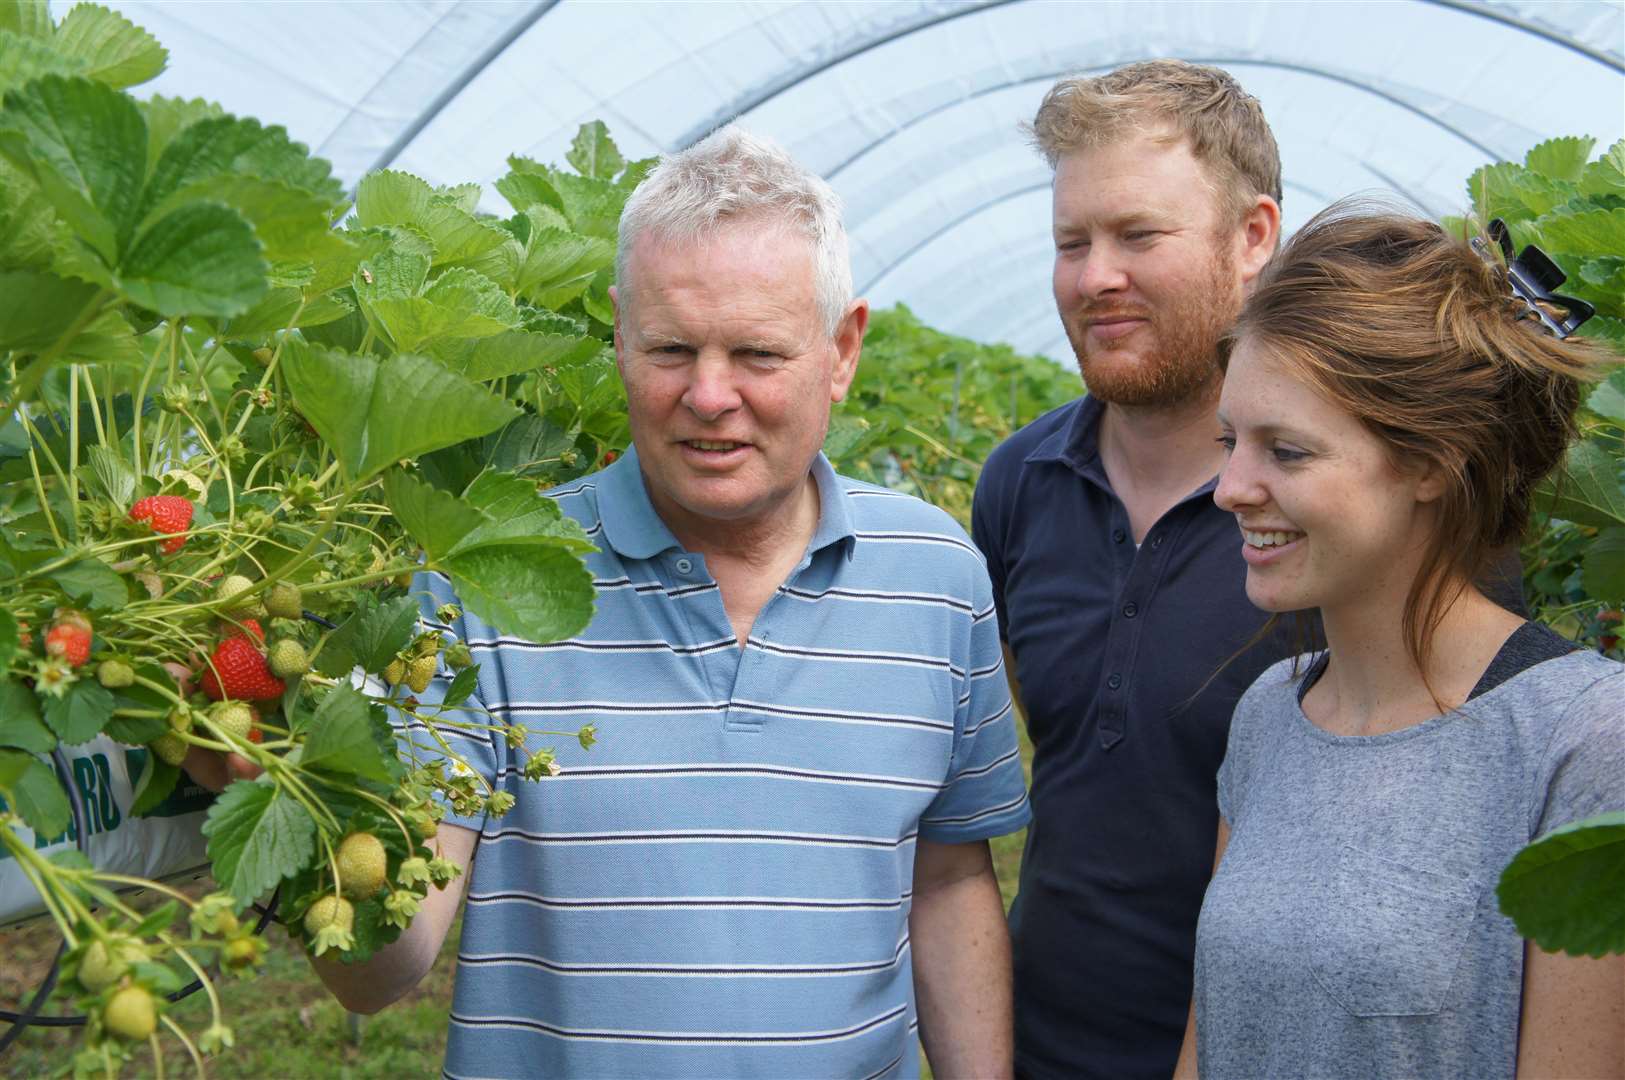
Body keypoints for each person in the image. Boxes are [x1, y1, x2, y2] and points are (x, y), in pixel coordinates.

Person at [193, 126, 1031, 1079]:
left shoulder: (935, 573)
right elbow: (381, 972)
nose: (709, 396)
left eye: (757, 353)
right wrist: (279, 794)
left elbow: (950, 877)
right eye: (670, 348)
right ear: (617, 335)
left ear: (841, 352)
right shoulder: (486, 571)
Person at [1176, 204, 1624, 1078]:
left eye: (1288, 452)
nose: (1229, 488)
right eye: (1231, 442)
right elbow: (1215, 1035)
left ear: (1431, 461)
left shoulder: (1581, 740)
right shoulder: (1272, 714)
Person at [969, 61, 1287, 1079]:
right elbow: (1057, 751)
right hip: (1034, 1043)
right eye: (1072, 242)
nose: (1093, 276)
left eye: (1137, 236)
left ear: (1251, 239)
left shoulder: (1329, 507)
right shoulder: (1019, 483)